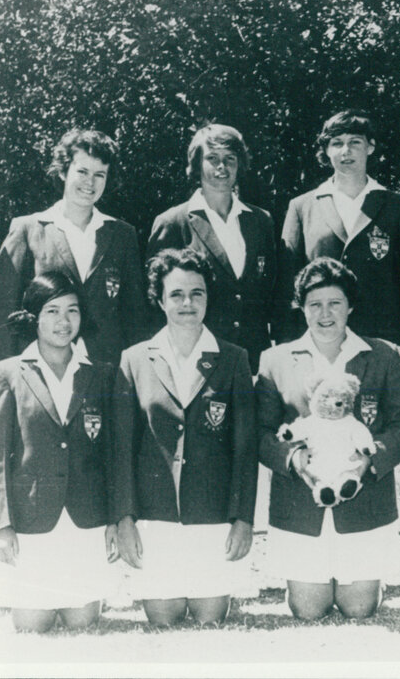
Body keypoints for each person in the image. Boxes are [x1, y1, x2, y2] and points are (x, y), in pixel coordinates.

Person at [256, 257, 400, 620]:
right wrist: (292, 458)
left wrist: (371, 460)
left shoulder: (382, 355)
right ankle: (302, 584)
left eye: (335, 304)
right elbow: (262, 434)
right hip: (300, 503)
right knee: (308, 610)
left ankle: (370, 584)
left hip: (364, 500)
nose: (325, 314)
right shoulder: (276, 359)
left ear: (350, 307)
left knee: (359, 609)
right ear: (302, 308)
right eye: (315, 305)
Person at [112, 248, 257, 626]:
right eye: (176, 294)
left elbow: (244, 448)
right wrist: (124, 519)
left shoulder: (234, 358)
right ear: (159, 300)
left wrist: (243, 518)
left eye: (197, 293)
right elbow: (122, 450)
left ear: (208, 298)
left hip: (211, 515)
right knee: (164, 617)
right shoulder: (135, 359)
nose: (187, 303)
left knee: (210, 617)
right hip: (155, 516)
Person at [0, 272, 117, 632]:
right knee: (32, 626)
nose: (64, 321)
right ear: (33, 317)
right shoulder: (5, 374)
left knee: (82, 623)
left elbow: (113, 456)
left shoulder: (101, 374)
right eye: (52, 311)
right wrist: (0, 527)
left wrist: (117, 519)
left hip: (85, 520)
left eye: (72, 311)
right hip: (32, 523)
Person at [0, 128, 152, 365]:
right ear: (64, 171)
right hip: (44, 367)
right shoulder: (28, 229)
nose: (90, 182)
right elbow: (3, 315)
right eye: (82, 171)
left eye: (100, 174)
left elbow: (135, 316)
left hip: (106, 370)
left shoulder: (121, 235)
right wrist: (5, 378)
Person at [277, 110, 400, 367]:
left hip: (383, 343)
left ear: (370, 147)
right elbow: (289, 286)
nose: (346, 151)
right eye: (337, 143)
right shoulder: (302, 207)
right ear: (326, 150)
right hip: (319, 344)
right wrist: (288, 346)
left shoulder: (398, 205)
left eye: (355, 142)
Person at [147, 124, 277, 374]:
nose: (222, 167)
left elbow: (271, 292)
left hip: (253, 360)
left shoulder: (261, 221)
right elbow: (155, 299)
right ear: (197, 164)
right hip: (195, 358)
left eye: (230, 159)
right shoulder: (174, 222)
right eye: (212, 158)